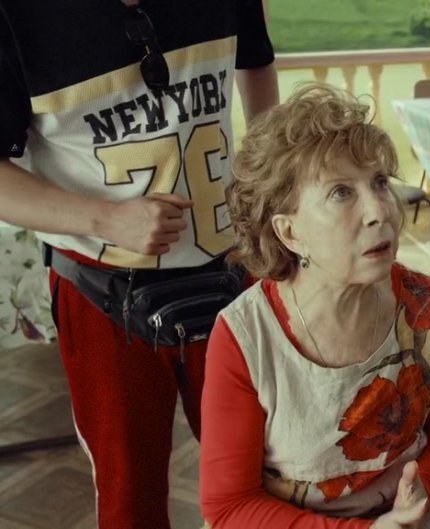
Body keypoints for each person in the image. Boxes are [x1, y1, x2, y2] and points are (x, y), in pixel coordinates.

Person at [0, 1, 278, 527]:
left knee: (267, 471)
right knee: (130, 495)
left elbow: (256, 61)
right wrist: (105, 218)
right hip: (101, 295)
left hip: (234, 274)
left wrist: (269, 177)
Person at [199, 82, 430, 529]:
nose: (379, 211)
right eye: (341, 193)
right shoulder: (246, 336)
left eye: (380, 182)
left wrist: (421, 488)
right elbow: (229, 506)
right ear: (290, 233)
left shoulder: (424, 305)